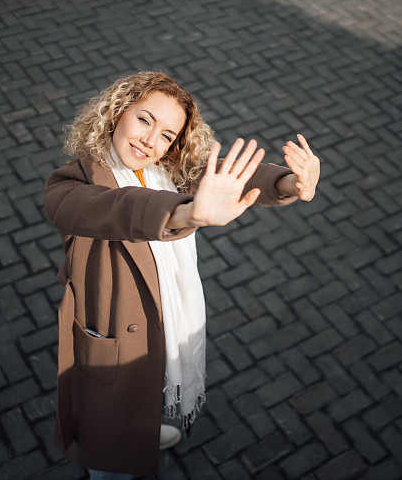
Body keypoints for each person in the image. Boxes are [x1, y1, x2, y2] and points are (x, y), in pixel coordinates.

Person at [43, 71, 320, 478]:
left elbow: (223, 172)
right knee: (109, 455)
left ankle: (145, 428)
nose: (151, 140)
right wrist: (187, 213)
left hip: (163, 326)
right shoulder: (72, 185)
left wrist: (290, 182)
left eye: (168, 135)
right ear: (117, 112)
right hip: (115, 339)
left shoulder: (166, 171)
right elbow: (118, 208)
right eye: (144, 120)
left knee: (148, 391)